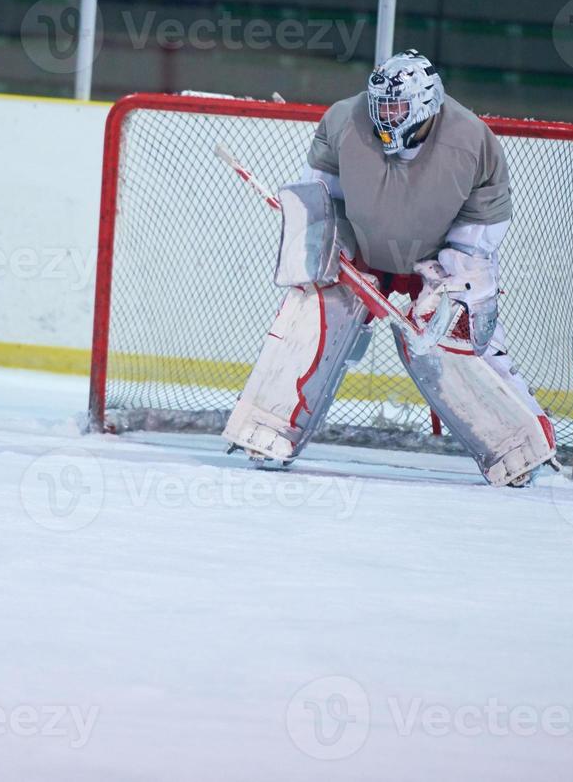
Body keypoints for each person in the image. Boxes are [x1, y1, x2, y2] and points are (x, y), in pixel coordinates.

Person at [223, 49, 554, 486]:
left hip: (437, 259)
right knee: (312, 315)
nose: (384, 116)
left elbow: (480, 234)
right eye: (380, 105)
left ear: (426, 105)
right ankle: (266, 430)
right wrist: (329, 244)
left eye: (396, 107)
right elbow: (323, 196)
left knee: (461, 336)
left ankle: (524, 448)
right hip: (363, 247)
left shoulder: (473, 141)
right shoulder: (344, 121)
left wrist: (446, 280)